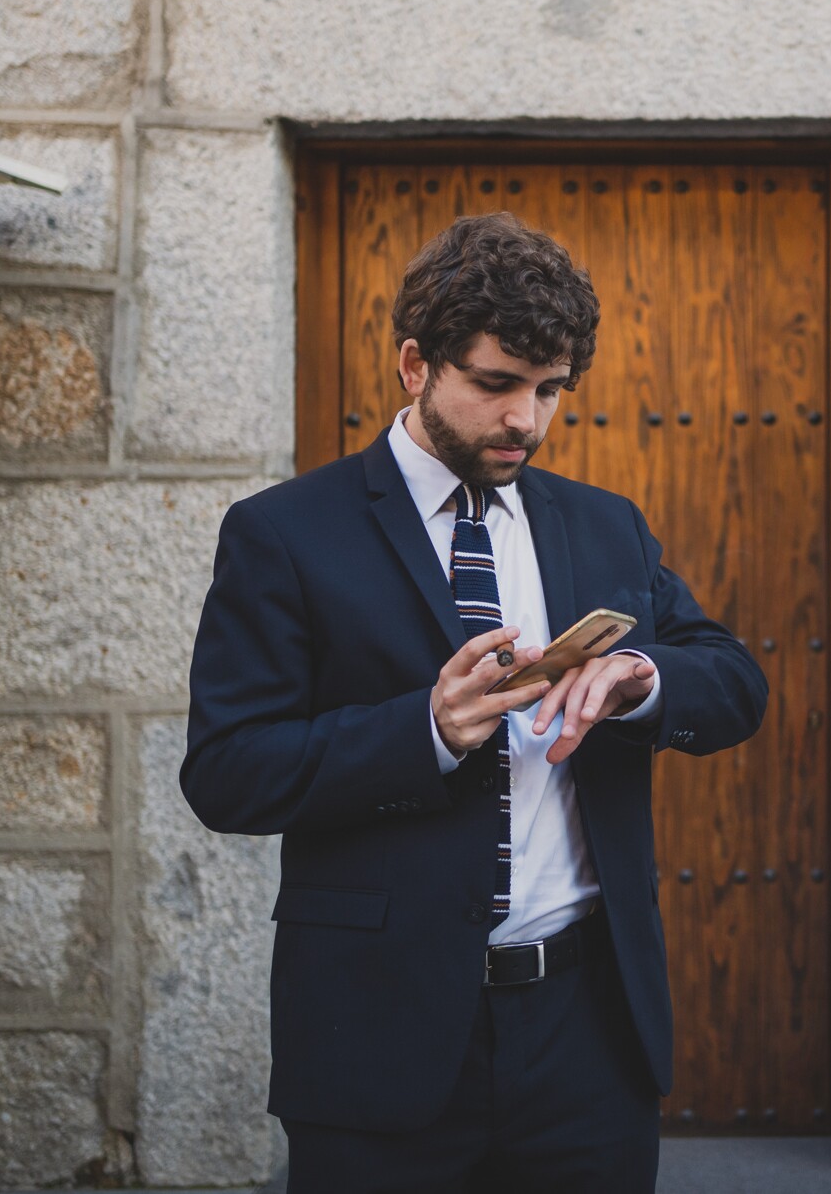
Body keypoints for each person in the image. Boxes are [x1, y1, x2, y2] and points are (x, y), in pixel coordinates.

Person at [183, 212, 767, 1193]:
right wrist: (422, 731)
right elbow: (225, 772)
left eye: (549, 391)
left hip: (588, 1038)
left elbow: (734, 678)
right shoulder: (283, 534)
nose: (525, 422)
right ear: (415, 364)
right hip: (378, 1040)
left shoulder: (602, 524)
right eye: (496, 384)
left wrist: (641, 682)